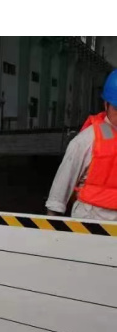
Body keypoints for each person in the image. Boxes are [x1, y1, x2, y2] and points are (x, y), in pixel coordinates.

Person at [46, 70, 117, 221]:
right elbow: (60, 190)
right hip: (92, 221)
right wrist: (50, 230)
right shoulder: (86, 140)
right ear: (106, 104)